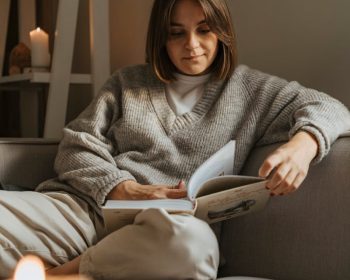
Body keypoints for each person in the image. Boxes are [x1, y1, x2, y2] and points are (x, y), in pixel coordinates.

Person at [1, 0, 349, 279]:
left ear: (222, 33)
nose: (192, 46)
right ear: (161, 38)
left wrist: (302, 147)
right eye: (176, 33)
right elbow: (76, 146)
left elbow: (332, 108)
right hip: (84, 212)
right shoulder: (126, 83)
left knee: (195, 250)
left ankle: (57, 275)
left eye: (204, 30)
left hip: (164, 230)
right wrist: (123, 188)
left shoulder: (250, 90)